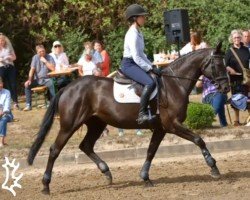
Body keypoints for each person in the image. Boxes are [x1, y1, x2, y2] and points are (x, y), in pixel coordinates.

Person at [120, 4, 161, 124]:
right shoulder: (132, 34)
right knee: (149, 82)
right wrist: (150, 68)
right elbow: (136, 57)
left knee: (156, 78)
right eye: (142, 16)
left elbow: (141, 54)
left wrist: (152, 66)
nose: (144, 18)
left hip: (136, 62)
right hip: (129, 64)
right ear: (135, 18)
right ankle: (142, 114)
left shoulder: (138, 32)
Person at [225, 29, 250, 126]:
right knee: (236, 99)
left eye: (238, 37)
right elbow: (225, 65)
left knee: (248, 98)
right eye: (235, 37)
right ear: (232, 39)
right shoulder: (229, 52)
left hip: (246, 79)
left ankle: (249, 119)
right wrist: (230, 70)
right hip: (235, 79)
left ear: (241, 38)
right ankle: (236, 121)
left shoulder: (246, 50)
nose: (237, 39)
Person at [23, 45, 56, 111]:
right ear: (37, 52)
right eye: (40, 52)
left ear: (45, 50)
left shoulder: (49, 57)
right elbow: (32, 69)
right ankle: (28, 105)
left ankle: (53, 103)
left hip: (47, 79)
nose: (42, 53)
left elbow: (53, 69)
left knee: (51, 83)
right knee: (27, 85)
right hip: (37, 79)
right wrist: (29, 80)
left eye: (43, 51)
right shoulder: (35, 58)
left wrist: (45, 61)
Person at [0, 33, 19, 109]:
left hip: (10, 67)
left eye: (3, 41)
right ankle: (2, 104)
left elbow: (14, 57)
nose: (1, 42)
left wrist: (9, 57)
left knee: (13, 84)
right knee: (2, 85)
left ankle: (15, 102)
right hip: (1, 67)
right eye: (0, 41)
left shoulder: (8, 47)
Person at [0, 77, 14, 147]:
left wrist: (2, 112)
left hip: (7, 114)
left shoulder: (7, 92)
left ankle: (1, 142)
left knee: (3, 119)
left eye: (1, 83)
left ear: (2, 84)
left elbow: (7, 106)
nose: (0, 85)